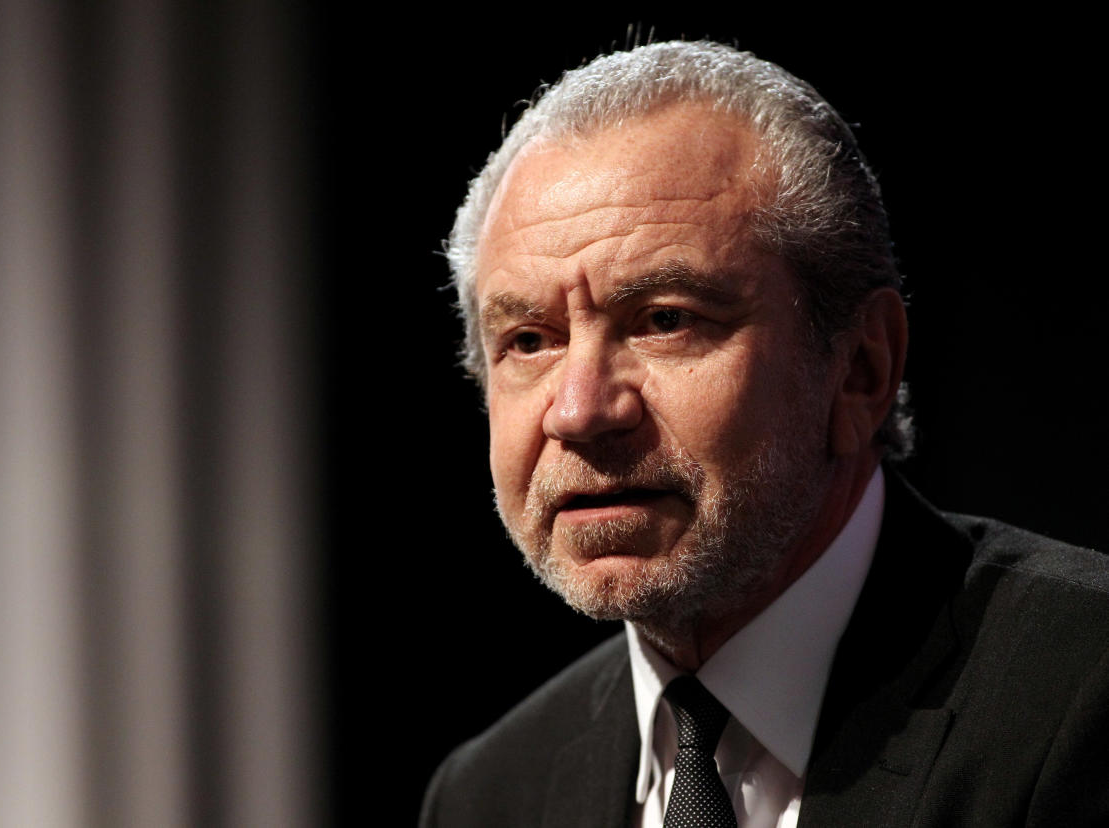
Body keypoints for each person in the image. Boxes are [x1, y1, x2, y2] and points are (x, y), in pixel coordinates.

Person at [419, 40, 1109, 827]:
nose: (578, 410)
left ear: (860, 371)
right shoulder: (487, 794)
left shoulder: (1084, 697)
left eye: (666, 321)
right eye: (530, 341)